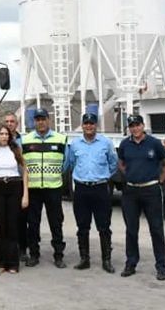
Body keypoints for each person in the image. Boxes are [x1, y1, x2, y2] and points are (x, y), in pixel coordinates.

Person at [118, 114, 165, 281]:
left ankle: (161, 266)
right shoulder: (124, 144)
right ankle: (131, 263)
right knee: (131, 230)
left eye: (137, 125)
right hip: (131, 192)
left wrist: (159, 181)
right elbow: (121, 163)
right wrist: (129, 176)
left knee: (156, 229)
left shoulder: (154, 143)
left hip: (151, 191)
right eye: (132, 125)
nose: (135, 128)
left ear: (143, 126)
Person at [63, 111, 118, 273]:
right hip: (81, 189)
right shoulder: (75, 144)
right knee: (82, 226)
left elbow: (113, 163)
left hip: (100, 188)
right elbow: (70, 163)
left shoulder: (105, 143)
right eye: (86, 123)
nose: (89, 126)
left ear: (96, 125)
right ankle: (84, 259)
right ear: (82, 125)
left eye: (92, 123)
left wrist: (104, 176)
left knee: (104, 226)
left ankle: (106, 260)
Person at [22, 108, 67, 268]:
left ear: (49, 120)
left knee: (56, 223)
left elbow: (66, 163)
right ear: (34, 121)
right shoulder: (25, 140)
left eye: (43, 119)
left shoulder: (61, 139)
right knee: (33, 223)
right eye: (37, 119)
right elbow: (22, 164)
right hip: (33, 188)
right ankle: (34, 254)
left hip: (53, 188)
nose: (40, 122)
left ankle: (59, 255)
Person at [0, 125, 29, 274]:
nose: (4, 136)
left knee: (13, 225)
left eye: (6, 134)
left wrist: (25, 194)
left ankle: (13, 263)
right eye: (1, 134)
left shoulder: (16, 150)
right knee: (2, 226)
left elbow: (25, 171)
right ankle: (0, 262)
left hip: (15, 186)